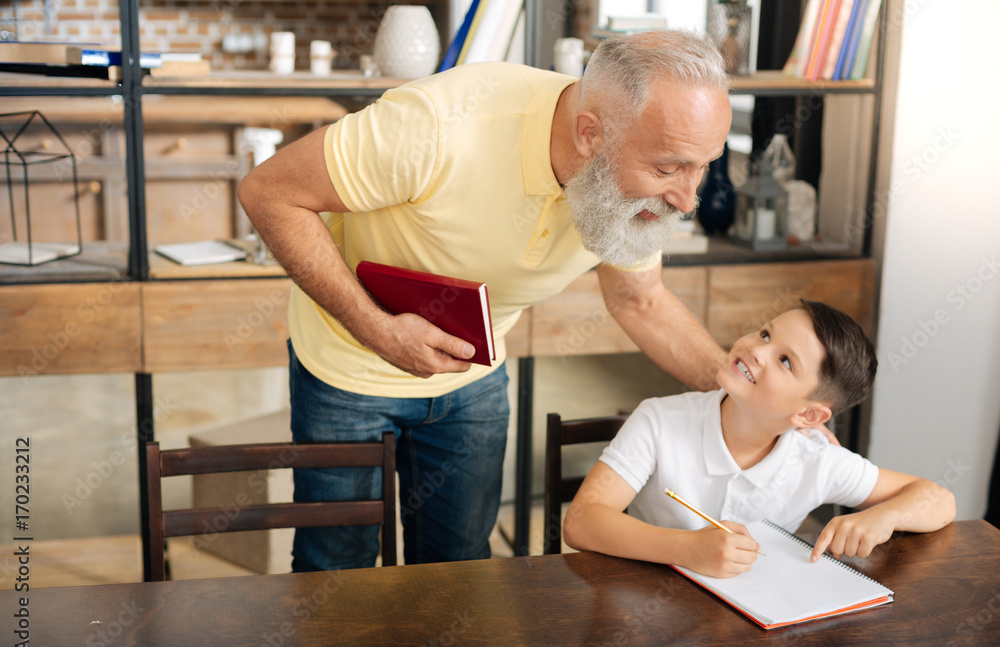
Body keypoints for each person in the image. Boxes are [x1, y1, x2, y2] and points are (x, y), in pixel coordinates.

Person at [238, 29, 752, 570]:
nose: (687, 199)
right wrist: (378, 330)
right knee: (335, 568)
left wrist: (746, 392)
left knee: (460, 569)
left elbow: (641, 301)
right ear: (590, 136)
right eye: (668, 168)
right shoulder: (436, 126)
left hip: (473, 378)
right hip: (347, 367)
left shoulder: (642, 181)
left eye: (704, 164)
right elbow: (268, 192)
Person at [563, 300, 957, 578]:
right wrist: (685, 549)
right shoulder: (659, 420)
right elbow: (581, 523)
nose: (757, 350)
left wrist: (884, 516)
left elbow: (939, 499)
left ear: (808, 415)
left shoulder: (815, 458)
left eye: (785, 361)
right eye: (766, 334)